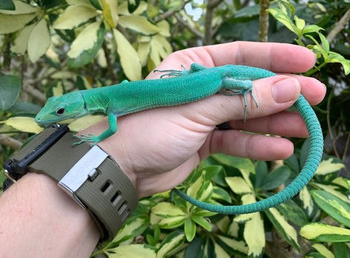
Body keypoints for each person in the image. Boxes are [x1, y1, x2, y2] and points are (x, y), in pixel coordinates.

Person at [0, 42, 326, 257]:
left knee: (232, 85)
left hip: (219, 79)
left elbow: (112, 128)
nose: (54, 117)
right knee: (214, 78)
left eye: (60, 113)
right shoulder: (103, 98)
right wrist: (123, 161)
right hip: (201, 74)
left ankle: (244, 89)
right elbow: (128, 93)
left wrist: (97, 142)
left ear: (76, 107)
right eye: (58, 112)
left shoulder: (108, 107)